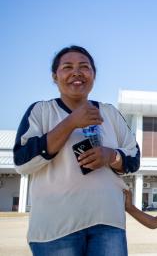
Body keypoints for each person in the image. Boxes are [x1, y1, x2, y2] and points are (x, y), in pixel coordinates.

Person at [13, 45, 141, 255]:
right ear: (55, 76)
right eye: (67, 67)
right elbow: (22, 162)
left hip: (107, 224)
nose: (76, 72)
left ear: (93, 75)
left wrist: (111, 156)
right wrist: (71, 122)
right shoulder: (41, 111)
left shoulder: (109, 113)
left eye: (84, 66)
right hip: (56, 229)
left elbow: (133, 158)